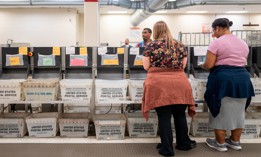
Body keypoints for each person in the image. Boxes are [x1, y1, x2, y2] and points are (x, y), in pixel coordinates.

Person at [142, 21, 196, 157]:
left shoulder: (151, 45)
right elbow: (183, 66)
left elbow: (146, 66)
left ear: (155, 31)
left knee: (164, 115)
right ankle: (183, 143)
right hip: (179, 82)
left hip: (158, 84)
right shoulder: (180, 44)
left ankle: (167, 148)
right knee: (179, 114)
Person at [200, 18, 255, 152]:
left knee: (219, 108)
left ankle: (220, 143)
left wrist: (202, 65)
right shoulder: (243, 43)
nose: (214, 33)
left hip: (223, 79)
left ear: (218, 28)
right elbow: (241, 61)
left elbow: (209, 64)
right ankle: (235, 142)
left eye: (214, 30)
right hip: (243, 78)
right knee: (239, 111)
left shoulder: (216, 43)